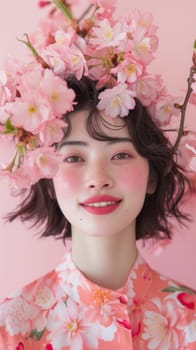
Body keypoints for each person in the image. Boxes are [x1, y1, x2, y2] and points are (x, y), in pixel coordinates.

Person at [0, 75, 196, 350]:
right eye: (74, 158)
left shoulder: (190, 323)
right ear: (49, 180)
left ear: (151, 176)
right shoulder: (11, 328)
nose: (97, 178)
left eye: (120, 155)